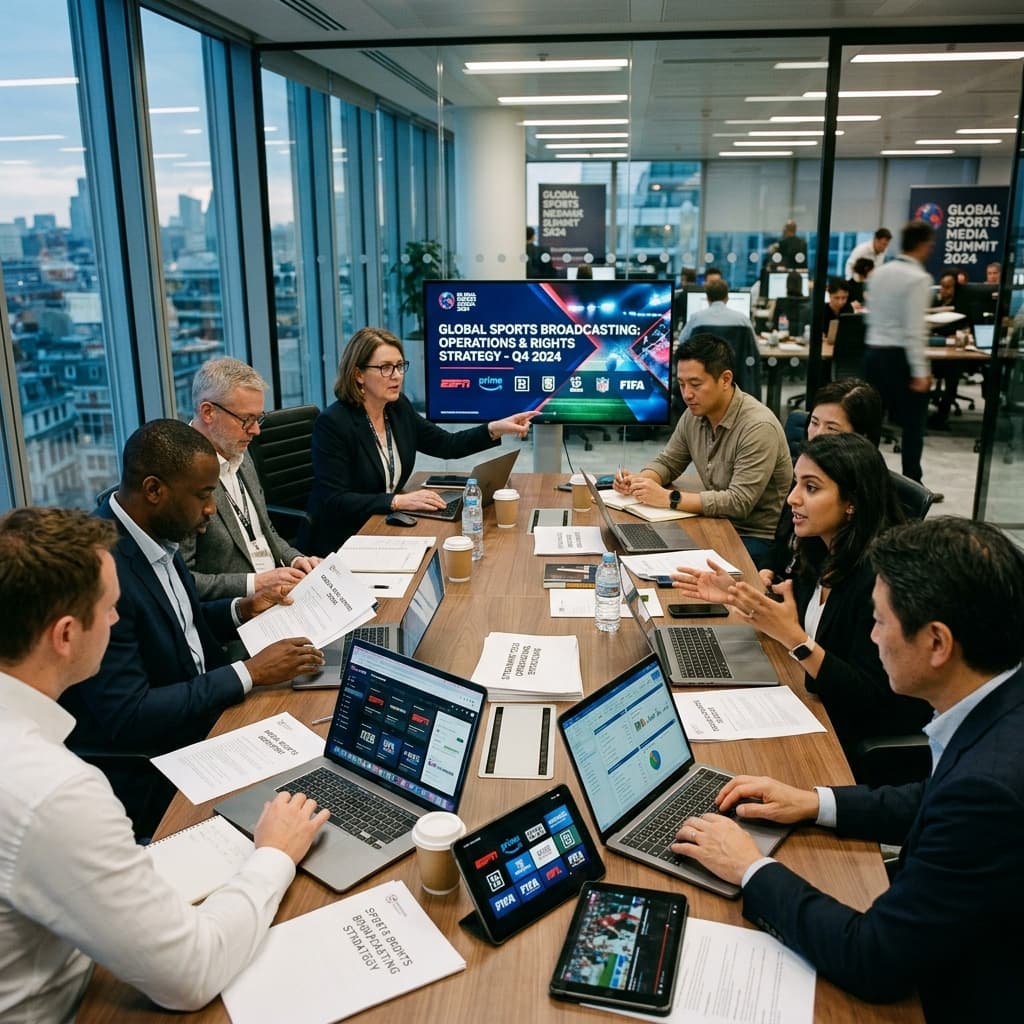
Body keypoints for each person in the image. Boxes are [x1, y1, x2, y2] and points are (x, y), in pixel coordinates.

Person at [670, 516, 1024, 1022]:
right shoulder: (1001, 700)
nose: (873, 638)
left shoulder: (989, 788)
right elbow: (935, 799)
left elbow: (874, 959)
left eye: (878, 621)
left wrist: (749, 868)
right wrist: (816, 802)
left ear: (938, 643)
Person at [0, 506, 329, 1021]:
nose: (116, 619)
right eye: (110, 608)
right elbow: (189, 974)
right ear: (65, 636)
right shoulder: (53, 791)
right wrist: (275, 854)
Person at [61, 419, 325, 835]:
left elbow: (180, 625)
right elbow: (129, 714)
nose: (210, 509)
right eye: (204, 495)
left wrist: (241, 608)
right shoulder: (100, 573)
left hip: (208, 710)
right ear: (153, 490)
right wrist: (250, 673)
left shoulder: (158, 535)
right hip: (163, 762)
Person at [674, 433, 929, 767]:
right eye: (796, 484)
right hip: (805, 702)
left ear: (852, 501)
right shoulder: (821, 548)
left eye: (811, 487)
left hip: (841, 737)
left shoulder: (880, 580)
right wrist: (741, 597)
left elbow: (870, 698)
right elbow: (802, 623)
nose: (792, 498)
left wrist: (794, 639)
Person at [304, 327, 537, 555]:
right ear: (358, 375)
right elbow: (334, 501)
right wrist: (397, 501)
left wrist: (494, 428)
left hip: (386, 526)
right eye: (385, 368)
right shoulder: (334, 424)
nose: (396, 375)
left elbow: (447, 444)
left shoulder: (397, 408)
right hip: (344, 540)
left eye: (399, 366)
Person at [615, 333, 791, 560]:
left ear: (725, 379)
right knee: (633, 545)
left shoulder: (758, 427)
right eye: (681, 384)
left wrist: (669, 498)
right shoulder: (694, 414)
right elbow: (669, 462)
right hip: (714, 521)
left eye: (696, 384)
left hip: (753, 537)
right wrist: (642, 481)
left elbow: (738, 503)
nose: (687, 394)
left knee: (665, 562)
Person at [181, 357, 320, 599]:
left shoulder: (239, 453)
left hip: (279, 592)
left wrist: (296, 559)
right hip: (237, 613)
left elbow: (265, 532)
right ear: (208, 412)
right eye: (246, 420)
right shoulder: (181, 476)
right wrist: (254, 583)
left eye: (258, 418)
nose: (256, 430)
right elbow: (184, 581)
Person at [759, 377, 883, 581]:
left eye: (832, 428)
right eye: (814, 423)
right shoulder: (807, 470)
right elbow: (782, 539)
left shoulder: (861, 495)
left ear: (862, 438)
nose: (817, 435)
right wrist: (765, 573)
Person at [863, 219, 936, 489]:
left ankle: (864, 480)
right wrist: (921, 371)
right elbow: (914, 329)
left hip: (873, 355)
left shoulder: (879, 273)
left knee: (871, 424)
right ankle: (912, 485)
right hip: (900, 358)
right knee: (913, 427)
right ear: (922, 245)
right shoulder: (919, 278)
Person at [680, 278, 756, 345]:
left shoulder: (696, 318)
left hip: (705, 361)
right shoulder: (743, 319)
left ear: (707, 298)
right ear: (727, 298)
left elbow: (682, 341)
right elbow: (755, 345)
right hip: (734, 361)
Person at [822, 277, 855, 342]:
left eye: (844, 298)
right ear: (829, 294)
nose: (840, 302)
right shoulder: (822, 311)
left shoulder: (848, 309)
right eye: (836, 298)